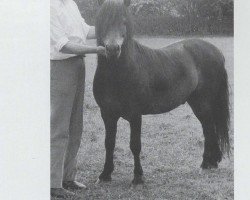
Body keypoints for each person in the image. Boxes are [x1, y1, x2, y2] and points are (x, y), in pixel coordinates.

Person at [50, 0, 105, 198]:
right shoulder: (48, 7)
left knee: (75, 126)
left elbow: (86, 30)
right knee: (59, 126)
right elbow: (63, 45)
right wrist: (96, 50)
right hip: (60, 68)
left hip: (77, 66)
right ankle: (52, 183)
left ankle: (67, 177)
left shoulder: (71, 3)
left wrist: (111, 24)